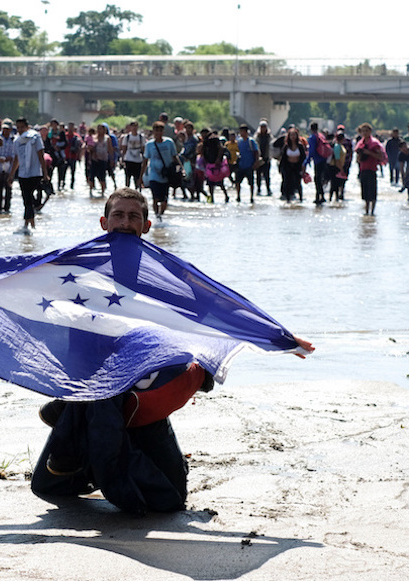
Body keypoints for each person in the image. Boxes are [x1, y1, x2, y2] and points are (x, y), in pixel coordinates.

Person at [29, 188, 315, 514]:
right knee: (48, 484)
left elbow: (219, 310)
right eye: (118, 215)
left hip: (144, 400)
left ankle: (73, 421)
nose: (125, 222)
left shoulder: (164, 278)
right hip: (95, 389)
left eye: (133, 216)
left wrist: (276, 336)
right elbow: (26, 283)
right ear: (103, 222)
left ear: (146, 225)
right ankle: (85, 431)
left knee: (170, 498)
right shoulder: (80, 273)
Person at [9, 117, 46, 234]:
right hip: (23, 174)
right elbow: (16, 159)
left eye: (22, 127)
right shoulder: (17, 141)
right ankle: (29, 224)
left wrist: (45, 173)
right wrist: (11, 174)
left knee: (29, 199)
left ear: (27, 127)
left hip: (35, 173)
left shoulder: (35, 138)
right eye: (18, 127)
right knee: (26, 199)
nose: (20, 130)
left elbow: (41, 156)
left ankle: (30, 224)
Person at [141, 121, 176, 221]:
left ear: (163, 131)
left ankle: (161, 214)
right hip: (154, 175)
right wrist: (141, 177)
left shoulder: (169, 142)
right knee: (155, 198)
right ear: (153, 132)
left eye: (160, 131)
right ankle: (157, 216)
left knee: (164, 200)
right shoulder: (149, 145)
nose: (158, 133)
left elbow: (175, 156)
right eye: (156, 131)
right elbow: (145, 161)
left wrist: (180, 169)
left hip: (166, 175)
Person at [354, 123, 387, 216]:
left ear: (370, 131)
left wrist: (369, 153)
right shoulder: (360, 143)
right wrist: (360, 156)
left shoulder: (374, 143)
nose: (364, 133)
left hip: (372, 169)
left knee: (372, 193)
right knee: (365, 194)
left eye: (366, 131)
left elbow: (380, 156)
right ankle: (366, 211)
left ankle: (372, 212)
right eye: (363, 131)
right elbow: (357, 159)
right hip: (363, 169)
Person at [278, 126, 306, 203]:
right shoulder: (286, 146)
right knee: (287, 183)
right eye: (291, 135)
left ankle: (300, 199)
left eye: (294, 135)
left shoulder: (300, 146)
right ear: (289, 136)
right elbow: (283, 158)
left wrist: (304, 168)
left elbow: (303, 158)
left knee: (298, 183)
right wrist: (280, 168)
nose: (293, 137)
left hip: (297, 167)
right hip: (288, 166)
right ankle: (288, 200)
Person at [0, 119, 15, 215]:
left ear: (10, 129)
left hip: (9, 169)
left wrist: (9, 159)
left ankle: (7, 209)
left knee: (8, 189)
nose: (6, 131)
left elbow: (15, 155)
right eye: (4, 129)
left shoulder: (13, 140)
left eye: (7, 129)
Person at [120, 121, 144, 191]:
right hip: (128, 158)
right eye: (133, 126)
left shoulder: (141, 137)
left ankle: (137, 190)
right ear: (130, 127)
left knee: (137, 177)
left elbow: (143, 148)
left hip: (138, 159)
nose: (134, 128)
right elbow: (124, 148)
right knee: (127, 176)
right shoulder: (127, 137)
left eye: (135, 126)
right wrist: (122, 158)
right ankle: (127, 190)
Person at [255, 120, 273, 196]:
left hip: (267, 158)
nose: (263, 129)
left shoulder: (269, 136)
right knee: (258, 175)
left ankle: (268, 189)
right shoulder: (257, 136)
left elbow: (271, 146)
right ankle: (258, 189)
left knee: (267, 175)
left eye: (264, 127)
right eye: (262, 127)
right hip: (259, 158)